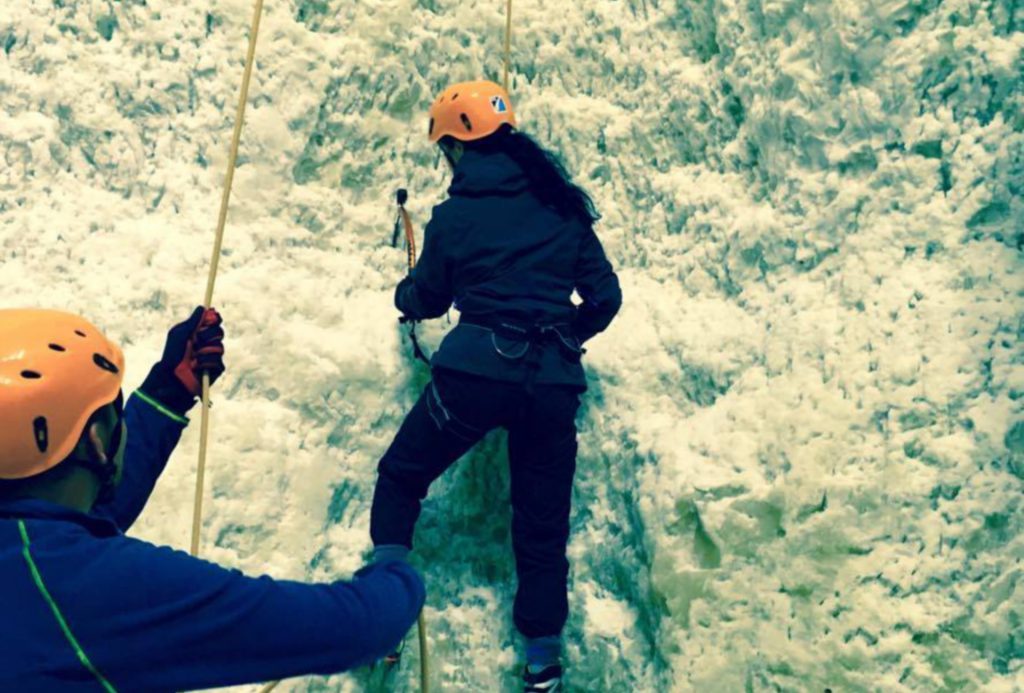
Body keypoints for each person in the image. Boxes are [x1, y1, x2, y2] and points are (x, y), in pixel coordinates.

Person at [0, 307, 425, 692]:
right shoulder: (85, 591)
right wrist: (399, 576)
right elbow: (353, 629)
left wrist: (167, 393)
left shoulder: (34, 563)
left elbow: (72, 523)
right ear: (95, 442)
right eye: (114, 412)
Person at [370, 80, 622, 692]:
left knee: (402, 474)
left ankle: (383, 611)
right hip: (551, 386)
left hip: (475, 378)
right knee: (542, 525)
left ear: (459, 144)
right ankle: (542, 660)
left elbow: (426, 299)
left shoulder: (455, 218)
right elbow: (606, 298)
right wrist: (564, 336)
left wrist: (403, 296)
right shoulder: (563, 207)